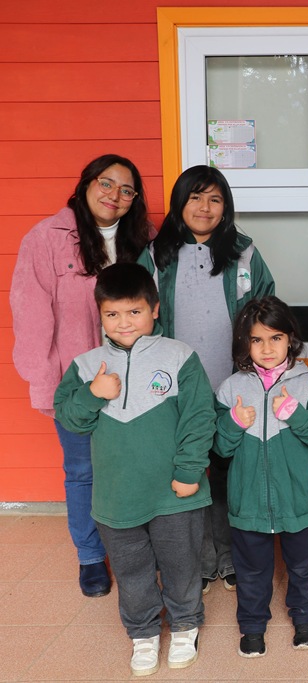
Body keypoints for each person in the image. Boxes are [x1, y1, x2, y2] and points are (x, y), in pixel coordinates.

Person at [53, 263, 214, 676]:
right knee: (131, 569)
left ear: (154, 309)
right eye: (112, 313)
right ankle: (143, 632)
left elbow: (199, 418)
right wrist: (93, 393)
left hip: (175, 493)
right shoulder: (86, 366)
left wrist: (189, 471)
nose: (123, 322)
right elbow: (70, 418)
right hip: (117, 497)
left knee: (181, 563)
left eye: (134, 311)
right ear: (100, 314)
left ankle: (184, 624)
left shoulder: (180, 357)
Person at [11, 154, 153, 598]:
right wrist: (46, 384)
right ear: (86, 184)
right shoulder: (46, 238)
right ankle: (90, 557)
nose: (115, 195)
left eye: (126, 190)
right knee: (82, 471)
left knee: (138, 464)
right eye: (106, 183)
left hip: (137, 380)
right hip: (77, 385)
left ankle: (140, 549)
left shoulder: (145, 241)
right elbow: (31, 316)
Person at [138, 165, 276, 595]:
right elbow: (139, 317)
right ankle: (199, 560)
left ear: (226, 207)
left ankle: (232, 556)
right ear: (180, 203)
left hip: (234, 383)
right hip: (178, 390)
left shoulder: (244, 253)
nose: (204, 207)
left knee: (231, 473)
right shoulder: (157, 254)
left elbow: (265, 308)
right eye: (195, 197)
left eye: (215, 199)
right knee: (189, 473)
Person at [214, 297, 308, 658]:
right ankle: (252, 626)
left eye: (275, 338)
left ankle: (306, 620)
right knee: (251, 570)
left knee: (302, 566)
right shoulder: (230, 388)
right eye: (257, 340)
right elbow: (220, 448)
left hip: (298, 500)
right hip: (248, 504)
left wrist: (295, 414)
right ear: (245, 343)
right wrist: (233, 423)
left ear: (290, 339)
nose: (267, 349)